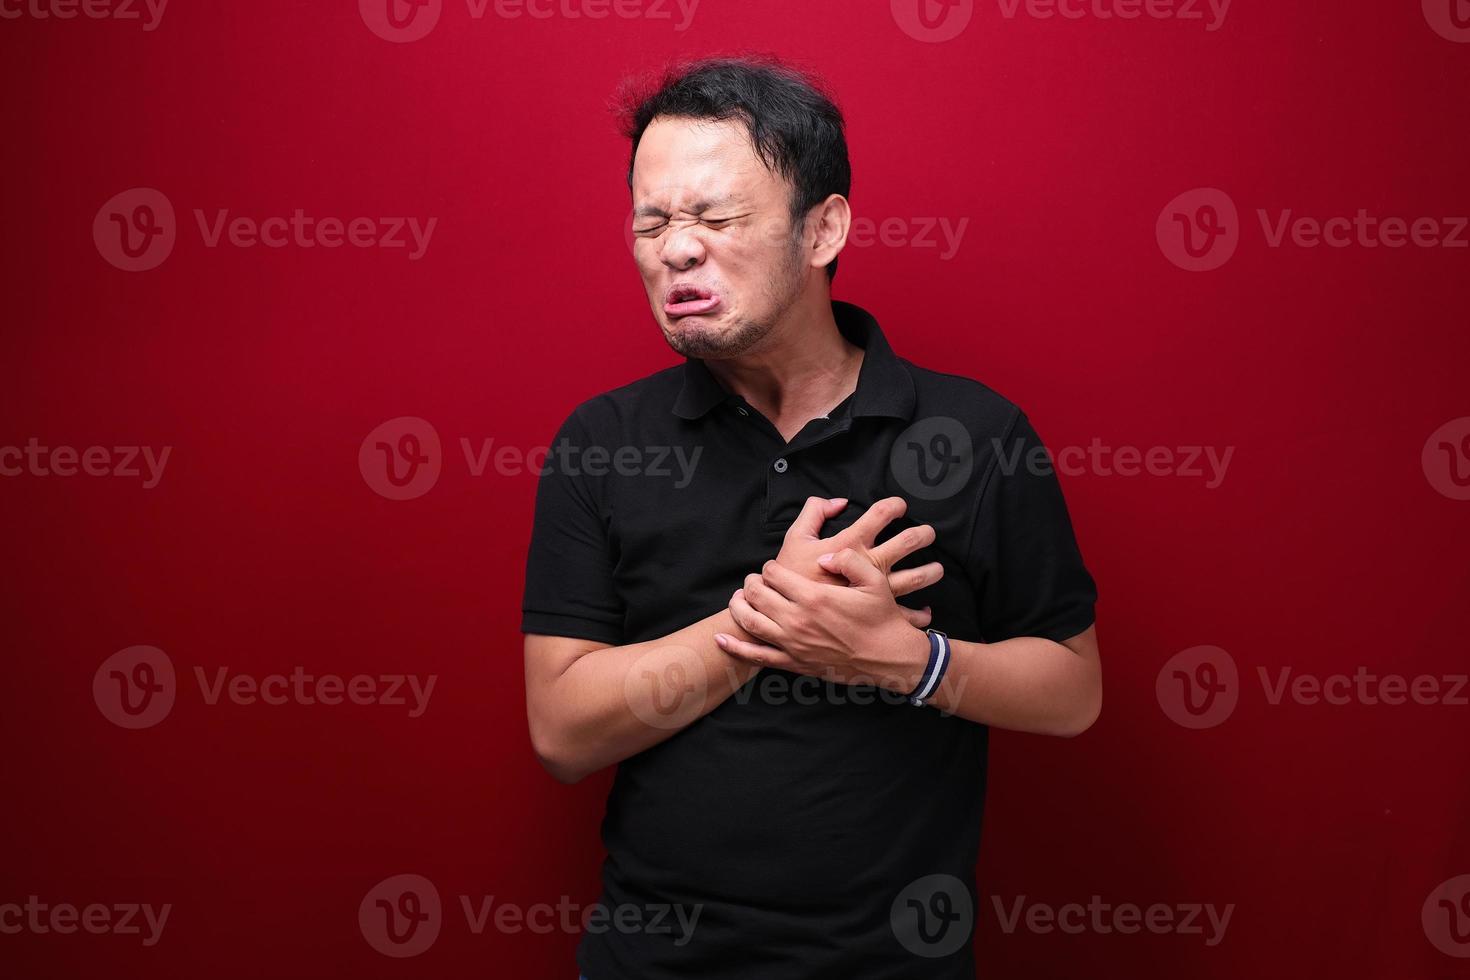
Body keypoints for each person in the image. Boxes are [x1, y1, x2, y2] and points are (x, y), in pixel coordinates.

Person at [522, 54, 1101, 980]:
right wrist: (769, 621)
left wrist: (907, 661)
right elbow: (561, 731)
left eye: (716, 218)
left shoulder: (976, 433)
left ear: (823, 228)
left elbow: (1073, 693)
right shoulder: (603, 442)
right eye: (652, 220)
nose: (675, 248)